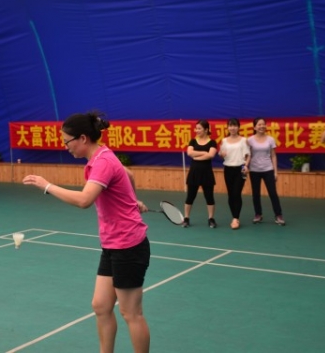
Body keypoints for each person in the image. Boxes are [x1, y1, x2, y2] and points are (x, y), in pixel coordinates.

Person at [22, 111, 151, 353]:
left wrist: (47, 186)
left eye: (67, 141)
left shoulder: (102, 162)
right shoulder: (101, 155)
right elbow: (128, 174)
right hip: (112, 245)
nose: (65, 146)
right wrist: (132, 201)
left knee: (131, 312)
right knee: (101, 306)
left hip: (128, 246)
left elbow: (84, 200)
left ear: (83, 138)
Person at [247, 118, 285, 226]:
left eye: (263, 124)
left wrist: (275, 172)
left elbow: (273, 156)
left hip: (268, 169)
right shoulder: (250, 140)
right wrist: (246, 166)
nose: (262, 126)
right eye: (259, 125)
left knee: (273, 193)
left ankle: (278, 215)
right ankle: (258, 214)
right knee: (256, 194)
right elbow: (248, 155)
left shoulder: (270, 139)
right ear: (254, 127)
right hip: (254, 170)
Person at [183, 119, 218, 228]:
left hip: (207, 173)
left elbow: (211, 155)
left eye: (199, 128)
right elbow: (189, 153)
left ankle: (211, 218)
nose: (197, 130)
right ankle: (186, 218)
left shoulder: (212, 142)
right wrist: (203, 152)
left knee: (209, 197)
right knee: (190, 197)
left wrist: (196, 156)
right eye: (196, 128)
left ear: (206, 130)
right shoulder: (193, 141)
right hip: (194, 173)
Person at [219, 118, 251, 230]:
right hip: (228, 169)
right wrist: (221, 154)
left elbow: (248, 155)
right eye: (230, 126)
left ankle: (236, 218)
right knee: (231, 194)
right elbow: (221, 154)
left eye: (234, 125)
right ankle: (234, 216)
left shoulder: (243, 140)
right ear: (227, 127)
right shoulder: (224, 141)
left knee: (237, 193)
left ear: (238, 127)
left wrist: (246, 165)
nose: (232, 128)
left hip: (240, 169)